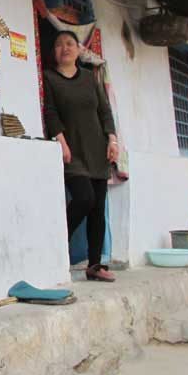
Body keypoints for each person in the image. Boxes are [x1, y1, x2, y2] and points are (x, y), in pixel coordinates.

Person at [43, 31, 118, 282]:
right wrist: (61, 142)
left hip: (97, 149)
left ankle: (95, 266)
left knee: (97, 209)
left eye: (70, 44)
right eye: (59, 44)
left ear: (78, 49)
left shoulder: (89, 78)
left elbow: (104, 112)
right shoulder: (49, 78)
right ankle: (54, 243)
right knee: (84, 199)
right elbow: (51, 113)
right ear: (53, 52)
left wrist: (112, 139)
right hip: (72, 152)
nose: (64, 48)